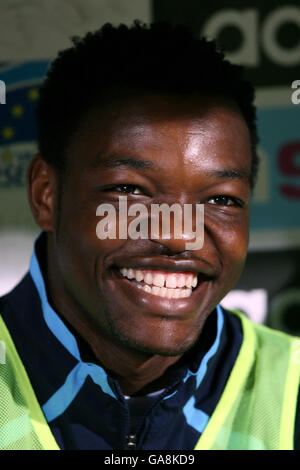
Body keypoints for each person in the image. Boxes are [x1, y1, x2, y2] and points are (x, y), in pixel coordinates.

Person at [0, 21, 300, 451]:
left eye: (221, 199)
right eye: (129, 191)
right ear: (46, 195)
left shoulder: (292, 382)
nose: (179, 236)